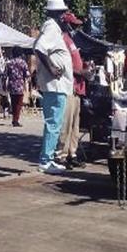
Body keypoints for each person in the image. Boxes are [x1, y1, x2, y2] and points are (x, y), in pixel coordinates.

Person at [31, 0, 73, 174]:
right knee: (54, 123)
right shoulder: (51, 27)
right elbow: (40, 48)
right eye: (62, 13)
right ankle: (46, 160)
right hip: (55, 85)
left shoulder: (53, 28)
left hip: (57, 85)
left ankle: (48, 158)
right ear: (57, 14)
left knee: (54, 123)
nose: (65, 16)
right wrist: (52, 68)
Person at [55, 11, 87, 168]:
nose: (76, 28)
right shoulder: (63, 41)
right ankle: (60, 154)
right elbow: (64, 66)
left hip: (77, 87)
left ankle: (71, 153)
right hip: (68, 86)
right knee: (65, 123)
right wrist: (80, 72)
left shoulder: (72, 41)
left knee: (75, 125)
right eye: (73, 25)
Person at [3, 48, 29, 127]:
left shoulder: (9, 63)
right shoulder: (23, 62)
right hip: (20, 84)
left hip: (11, 84)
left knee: (13, 103)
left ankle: (14, 119)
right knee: (19, 103)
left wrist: (4, 84)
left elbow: (5, 75)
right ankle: (16, 120)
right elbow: (27, 74)